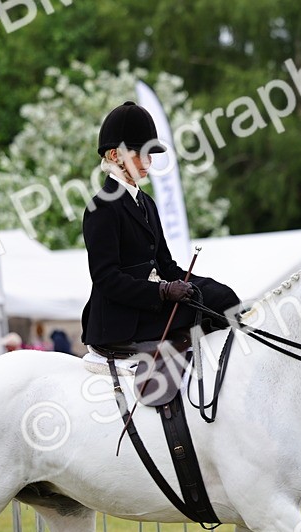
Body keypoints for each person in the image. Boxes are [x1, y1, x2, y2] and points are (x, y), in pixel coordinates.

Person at [81, 101, 240, 353]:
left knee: (222, 298)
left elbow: (166, 266)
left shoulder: (147, 203)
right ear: (115, 156)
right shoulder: (101, 208)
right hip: (121, 319)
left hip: (149, 305)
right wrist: (162, 291)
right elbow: (106, 279)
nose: (149, 161)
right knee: (211, 305)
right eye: (141, 154)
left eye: (150, 154)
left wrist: (197, 285)